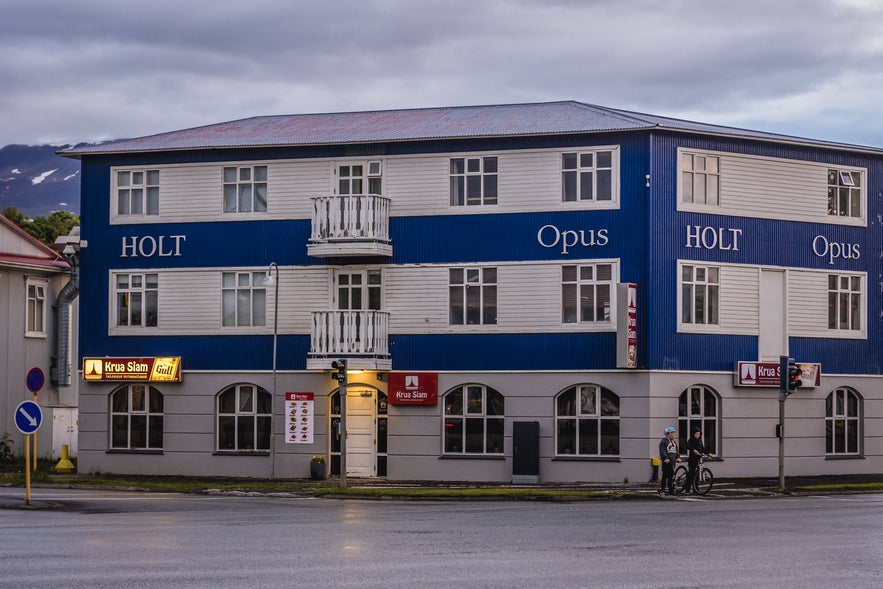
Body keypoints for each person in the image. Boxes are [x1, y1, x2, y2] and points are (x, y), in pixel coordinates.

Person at [683, 426, 711, 494]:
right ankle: (687, 489)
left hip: (698, 459)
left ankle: (695, 489)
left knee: (697, 475)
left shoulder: (700, 441)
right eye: (696, 434)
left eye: (699, 434)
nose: (697, 435)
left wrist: (708, 454)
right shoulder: (691, 440)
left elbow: (703, 449)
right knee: (691, 474)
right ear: (693, 434)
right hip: (692, 459)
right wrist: (693, 450)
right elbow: (687, 446)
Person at [658, 426, 681, 495]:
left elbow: (676, 451)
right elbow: (662, 451)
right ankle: (663, 489)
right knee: (665, 476)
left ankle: (671, 489)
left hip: (673, 462)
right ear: (668, 434)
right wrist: (666, 458)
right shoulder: (663, 442)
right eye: (672, 433)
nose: (673, 435)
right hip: (667, 462)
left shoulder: (674, 442)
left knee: (671, 476)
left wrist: (678, 457)